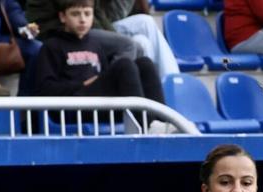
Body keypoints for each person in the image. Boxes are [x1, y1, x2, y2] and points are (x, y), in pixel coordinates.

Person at [33, 0, 165, 112]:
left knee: (145, 63)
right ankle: (142, 123)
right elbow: (45, 88)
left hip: (100, 103)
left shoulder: (96, 44)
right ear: (63, 17)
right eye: (75, 14)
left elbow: (103, 75)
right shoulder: (52, 46)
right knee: (125, 65)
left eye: (87, 14)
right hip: (74, 106)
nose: (82, 20)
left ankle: (160, 122)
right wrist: (81, 84)